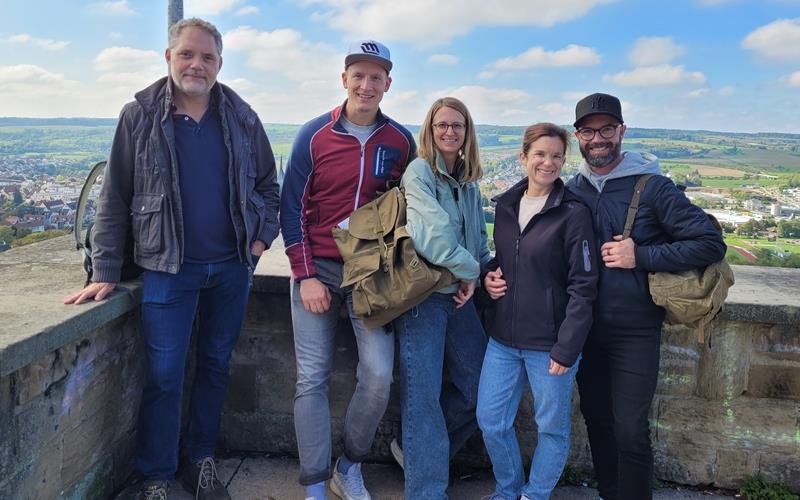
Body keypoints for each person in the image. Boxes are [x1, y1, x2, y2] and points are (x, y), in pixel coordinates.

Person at [63, 18, 280, 500]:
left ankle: (200, 461)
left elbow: (270, 187)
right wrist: (105, 269)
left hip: (231, 267)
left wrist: (259, 244)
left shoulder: (242, 117)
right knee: (164, 376)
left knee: (215, 366)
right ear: (168, 57)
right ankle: (157, 476)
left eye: (207, 57)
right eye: (187, 54)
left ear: (219, 64)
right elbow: (114, 197)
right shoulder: (139, 115)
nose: (196, 64)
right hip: (167, 268)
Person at [565, 93, 727, 500]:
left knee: (630, 429)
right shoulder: (574, 189)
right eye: (588, 131)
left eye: (606, 129)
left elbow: (709, 243)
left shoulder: (653, 187)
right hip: (585, 328)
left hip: (635, 329)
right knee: (597, 420)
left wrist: (640, 256)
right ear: (577, 136)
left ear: (622, 130)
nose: (598, 139)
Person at [279, 40, 415, 500]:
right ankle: (315, 483)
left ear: (388, 84)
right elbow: (291, 209)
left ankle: (349, 466)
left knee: (378, 375)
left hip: (370, 275)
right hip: (318, 268)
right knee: (311, 378)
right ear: (344, 80)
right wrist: (305, 275)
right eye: (358, 75)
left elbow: (410, 207)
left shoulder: (400, 141)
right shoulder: (313, 135)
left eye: (376, 77)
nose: (366, 85)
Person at [477, 123, 598, 500]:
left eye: (557, 156)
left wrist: (567, 347)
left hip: (550, 344)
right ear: (523, 157)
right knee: (491, 422)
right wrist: (487, 277)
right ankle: (508, 490)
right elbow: (504, 260)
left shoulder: (573, 213)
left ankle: (535, 495)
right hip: (503, 339)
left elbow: (584, 285)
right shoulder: (506, 205)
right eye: (540, 154)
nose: (548, 162)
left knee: (551, 428)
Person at [394, 97, 492, 500]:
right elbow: (431, 237)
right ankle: (426, 492)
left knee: (481, 389)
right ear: (429, 131)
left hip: (458, 298)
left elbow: (478, 241)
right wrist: (470, 271)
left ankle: (414, 453)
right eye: (441, 125)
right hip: (423, 299)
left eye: (457, 125)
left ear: (467, 132)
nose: (449, 132)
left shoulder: (468, 182)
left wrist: (483, 271)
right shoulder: (420, 172)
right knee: (423, 400)